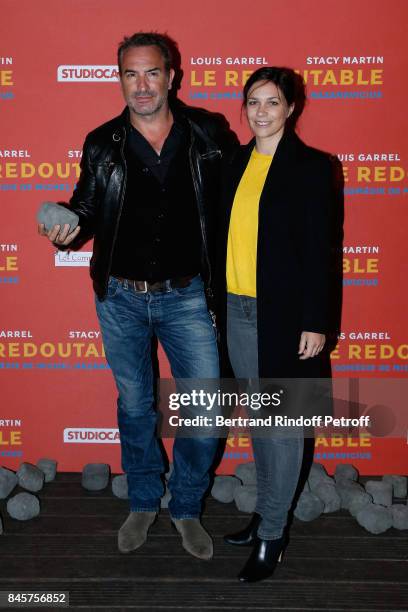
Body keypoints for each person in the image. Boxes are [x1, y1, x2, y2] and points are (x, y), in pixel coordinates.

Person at [38, 32, 237, 560]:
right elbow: (85, 206)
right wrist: (67, 226)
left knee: (206, 411)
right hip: (121, 297)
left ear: (172, 76)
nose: (142, 85)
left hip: (189, 296)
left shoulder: (209, 134)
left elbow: (240, 202)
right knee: (136, 405)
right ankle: (146, 499)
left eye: (152, 73)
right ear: (119, 79)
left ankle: (188, 505)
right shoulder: (102, 142)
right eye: (131, 74)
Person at [218, 67, 334, 582]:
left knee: (282, 429)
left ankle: (272, 537)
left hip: (286, 319)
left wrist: (316, 320)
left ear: (291, 108)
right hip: (238, 313)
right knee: (261, 428)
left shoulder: (313, 167)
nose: (261, 112)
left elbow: (322, 253)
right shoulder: (234, 163)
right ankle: (266, 516)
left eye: (271, 102)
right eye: (252, 102)